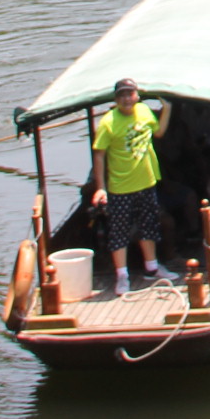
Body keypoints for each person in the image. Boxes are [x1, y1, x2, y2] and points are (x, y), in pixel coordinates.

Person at [89, 77, 165, 295]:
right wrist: (101, 187)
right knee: (119, 232)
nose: (126, 99)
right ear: (116, 99)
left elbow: (158, 132)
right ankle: (122, 276)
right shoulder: (107, 123)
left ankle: (152, 267)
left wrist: (167, 109)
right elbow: (99, 155)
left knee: (149, 225)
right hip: (120, 187)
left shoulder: (144, 112)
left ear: (137, 96)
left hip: (146, 182)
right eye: (122, 95)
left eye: (130, 94)